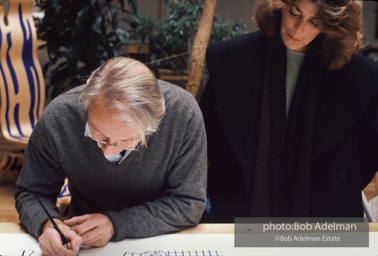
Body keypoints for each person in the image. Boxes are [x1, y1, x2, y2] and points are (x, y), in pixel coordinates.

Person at [200, 0, 378, 222]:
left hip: (326, 223)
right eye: (295, 13)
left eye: (315, 22)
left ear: (332, 24)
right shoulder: (230, 59)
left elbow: (369, 151)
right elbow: (207, 139)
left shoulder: (362, 76)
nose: (298, 29)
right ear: (279, 6)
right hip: (237, 215)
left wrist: (336, 184)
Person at [15, 57, 207, 255]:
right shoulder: (59, 117)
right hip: (85, 243)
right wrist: (48, 225)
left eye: (126, 142)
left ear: (153, 126)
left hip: (161, 240)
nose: (107, 150)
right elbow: (32, 193)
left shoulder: (183, 115)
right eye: (97, 133)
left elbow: (188, 203)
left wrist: (116, 224)